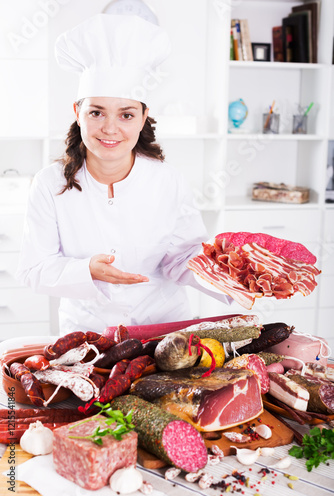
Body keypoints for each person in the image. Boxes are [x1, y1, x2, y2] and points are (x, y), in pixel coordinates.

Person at [16, 14, 231, 335]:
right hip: (88, 333)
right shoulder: (50, 184)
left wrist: (236, 277)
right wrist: (85, 270)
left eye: (126, 114)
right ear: (77, 113)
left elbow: (182, 258)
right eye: (96, 112)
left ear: (144, 117)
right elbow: (34, 269)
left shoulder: (167, 180)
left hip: (164, 329)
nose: (110, 128)